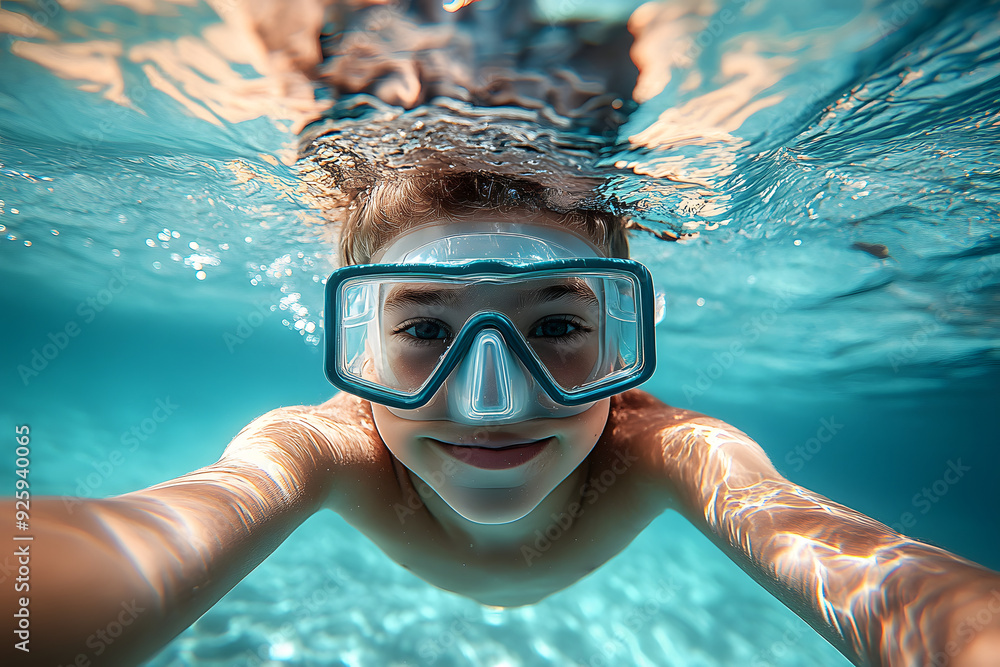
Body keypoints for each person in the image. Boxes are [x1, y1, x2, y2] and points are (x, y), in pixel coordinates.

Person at [7, 171, 1000, 667]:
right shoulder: (327, 447)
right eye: (426, 327)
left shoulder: (670, 453)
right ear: (357, 353)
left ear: (625, 340)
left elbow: (882, 578)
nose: (494, 399)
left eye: (559, 324)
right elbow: (140, 540)